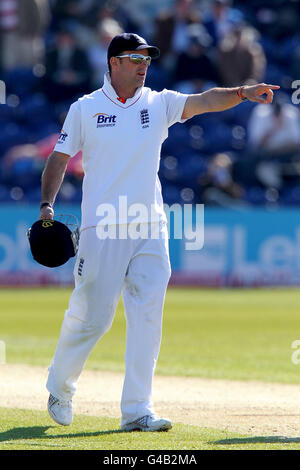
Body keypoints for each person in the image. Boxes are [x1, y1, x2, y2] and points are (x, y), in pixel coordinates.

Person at [39, 32, 279, 432]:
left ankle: (136, 410)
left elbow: (204, 102)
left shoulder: (158, 102)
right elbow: (59, 159)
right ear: (114, 62)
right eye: (135, 59)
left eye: (147, 59)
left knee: (148, 316)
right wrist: (47, 206)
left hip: (150, 226)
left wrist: (241, 91)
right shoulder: (85, 108)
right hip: (103, 227)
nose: (143, 65)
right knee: (93, 318)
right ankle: (59, 388)